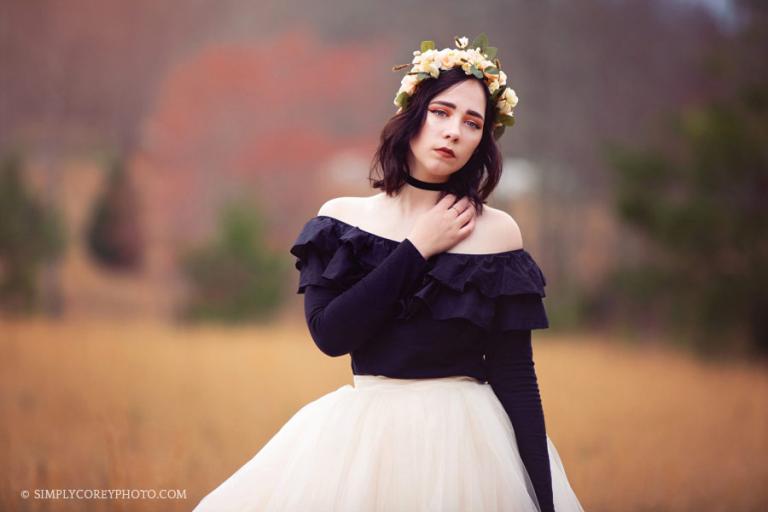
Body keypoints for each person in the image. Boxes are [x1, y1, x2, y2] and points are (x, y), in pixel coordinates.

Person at [194, 34, 585, 512]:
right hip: (363, 443)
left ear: (483, 140)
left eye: (472, 122)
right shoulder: (341, 220)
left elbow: (516, 375)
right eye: (441, 112)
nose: (454, 131)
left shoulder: (497, 233)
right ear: (412, 115)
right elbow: (331, 335)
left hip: (469, 450)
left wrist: (544, 503)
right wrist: (417, 248)